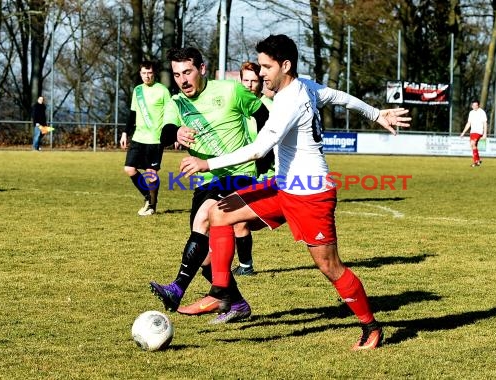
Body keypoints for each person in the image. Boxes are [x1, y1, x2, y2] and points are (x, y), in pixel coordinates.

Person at [179, 34, 411, 350]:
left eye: (266, 67)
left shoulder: (289, 101)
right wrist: (376, 113)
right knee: (220, 211)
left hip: (311, 195)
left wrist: (207, 164)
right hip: (285, 186)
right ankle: (220, 293)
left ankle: (370, 327)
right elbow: (341, 96)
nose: (260, 74)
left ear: (285, 66)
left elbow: (259, 150)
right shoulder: (306, 86)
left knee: (330, 266)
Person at [149, 47, 271, 323]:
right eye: (177, 74)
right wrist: (177, 132)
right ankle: (237, 304)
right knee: (204, 261)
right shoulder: (177, 102)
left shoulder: (230, 91)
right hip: (206, 180)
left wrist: (265, 154)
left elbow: (263, 115)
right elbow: (165, 132)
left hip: (239, 174)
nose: (183, 80)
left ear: (202, 69)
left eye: (188, 72)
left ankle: (177, 288)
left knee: (205, 216)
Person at [230, 61, 276, 276]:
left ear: (261, 82)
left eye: (254, 81)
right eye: (245, 80)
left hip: (269, 174)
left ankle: (245, 266)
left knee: (237, 219)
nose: (249, 85)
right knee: (234, 219)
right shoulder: (236, 107)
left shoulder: (269, 107)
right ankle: (245, 266)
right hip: (241, 173)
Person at [120, 61, 171, 216]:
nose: (147, 76)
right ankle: (149, 197)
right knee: (129, 169)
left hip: (155, 139)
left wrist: (173, 134)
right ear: (140, 74)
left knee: (151, 174)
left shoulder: (162, 91)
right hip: (138, 137)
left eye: (149, 73)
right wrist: (125, 133)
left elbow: (170, 113)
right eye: (144, 73)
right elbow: (132, 113)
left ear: (154, 73)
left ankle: (152, 205)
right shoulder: (137, 91)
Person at [460, 99, 487, 167]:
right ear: (472, 106)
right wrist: (463, 132)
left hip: (479, 131)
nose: (475, 107)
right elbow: (469, 123)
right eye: (473, 105)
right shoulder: (471, 113)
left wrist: (485, 133)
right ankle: (478, 161)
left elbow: (485, 123)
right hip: (472, 132)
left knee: (473, 143)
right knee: (473, 146)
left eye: (476, 105)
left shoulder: (482, 112)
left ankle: (476, 161)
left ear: (478, 105)